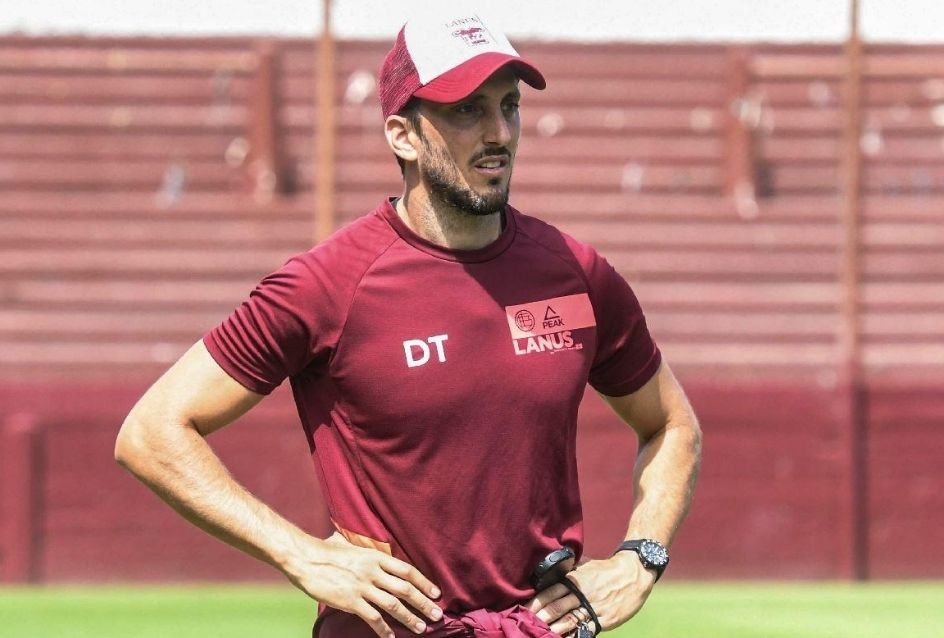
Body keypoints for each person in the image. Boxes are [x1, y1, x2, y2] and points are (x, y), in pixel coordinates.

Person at [115, 8, 701, 638]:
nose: (498, 132)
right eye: (467, 110)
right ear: (402, 135)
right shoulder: (327, 283)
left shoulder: (576, 274)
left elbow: (672, 425)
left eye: (509, 106)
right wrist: (299, 554)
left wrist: (641, 557)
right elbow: (151, 433)